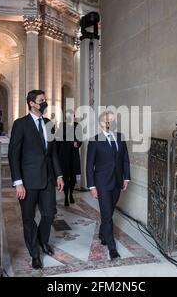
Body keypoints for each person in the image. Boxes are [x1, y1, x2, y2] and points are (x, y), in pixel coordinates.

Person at [8, 90, 65, 270]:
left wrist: (59, 175)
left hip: (47, 178)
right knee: (28, 219)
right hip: (27, 181)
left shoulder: (49, 124)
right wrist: (18, 182)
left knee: (49, 214)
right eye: (42, 100)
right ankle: (34, 253)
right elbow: (13, 154)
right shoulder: (20, 124)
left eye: (45, 100)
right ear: (32, 103)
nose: (45, 103)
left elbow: (53, 152)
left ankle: (42, 241)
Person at [86, 111, 131, 261]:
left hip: (117, 181)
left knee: (109, 211)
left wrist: (126, 178)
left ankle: (102, 232)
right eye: (108, 120)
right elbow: (89, 165)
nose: (111, 122)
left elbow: (125, 159)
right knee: (107, 214)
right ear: (101, 123)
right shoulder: (94, 140)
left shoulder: (120, 137)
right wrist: (92, 186)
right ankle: (112, 248)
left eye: (113, 120)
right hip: (102, 183)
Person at [57, 111, 82, 206]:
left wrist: (78, 143)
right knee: (65, 177)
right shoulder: (62, 125)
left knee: (73, 177)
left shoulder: (77, 126)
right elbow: (59, 139)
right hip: (63, 155)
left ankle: (71, 194)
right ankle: (66, 196)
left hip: (74, 155)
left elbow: (80, 138)